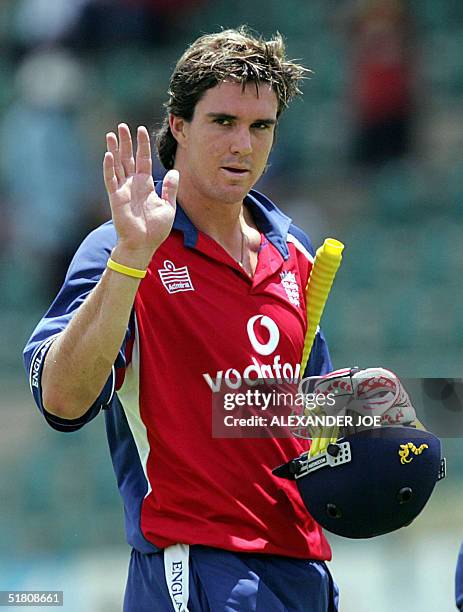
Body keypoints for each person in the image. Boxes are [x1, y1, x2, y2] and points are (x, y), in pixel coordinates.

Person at [24, 27, 338, 611]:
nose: (243, 144)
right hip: (196, 567)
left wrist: (388, 416)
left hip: (307, 571)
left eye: (260, 126)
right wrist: (131, 261)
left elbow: (303, 416)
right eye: (223, 121)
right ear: (179, 125)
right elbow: (61, 400)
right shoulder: (120, 246)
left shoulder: (294, 252)